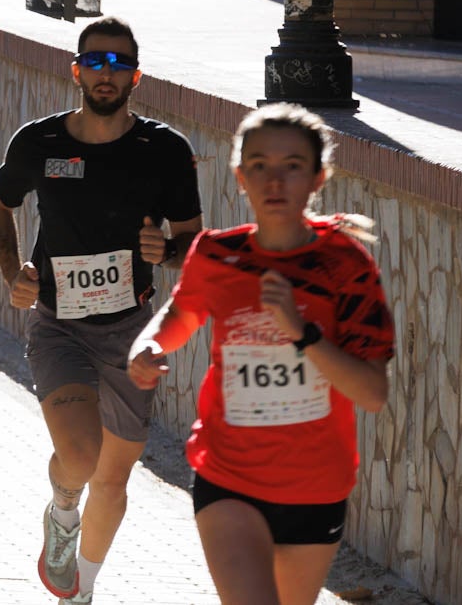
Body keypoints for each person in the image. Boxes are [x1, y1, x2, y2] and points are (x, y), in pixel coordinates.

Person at [127, 105, 393, 605]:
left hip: (315, 487)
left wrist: (303, 335)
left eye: (292, 165)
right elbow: (181, 314)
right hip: (228, 478)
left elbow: (372, 393)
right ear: (239, 177)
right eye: (259, 165)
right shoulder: (215, 253)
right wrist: (150, 345)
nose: (275, 179)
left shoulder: (346, 266)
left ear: (318, 177)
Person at [0, 17, 204, 605]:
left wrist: (169, 250)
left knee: (114, 476)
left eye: (119, 64)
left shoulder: (165, 151)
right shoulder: (41, 143)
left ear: (136, 76)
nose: (108, 74)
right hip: (60, 326)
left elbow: (192, 240)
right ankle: (61, 512)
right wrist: (13, 274)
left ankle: (82, 589)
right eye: (96, 63)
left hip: (132, 332)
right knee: (81, 455)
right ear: (76, 71)